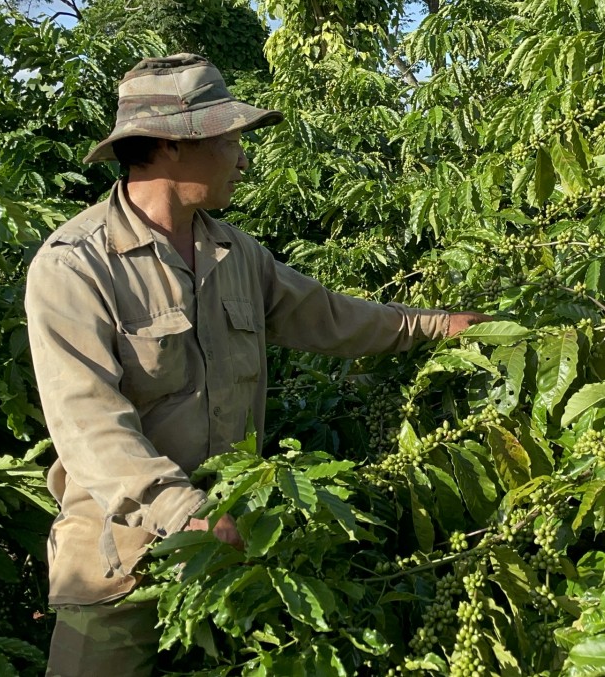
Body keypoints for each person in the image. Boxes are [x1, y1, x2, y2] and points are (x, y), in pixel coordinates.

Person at [25, 53, 489, 677]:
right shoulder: (76, 266)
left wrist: (436, 325)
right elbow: (88, 424)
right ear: (170, 145)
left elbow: (330, 316)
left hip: (235, 548)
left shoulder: (235, 253)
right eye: (230, 140)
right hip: (121, 561)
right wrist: (185, 512)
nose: (242, 159)